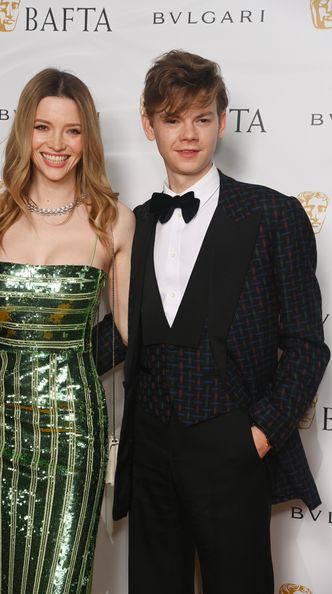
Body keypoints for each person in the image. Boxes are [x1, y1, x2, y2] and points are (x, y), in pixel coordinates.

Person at [112, 50, 330, 594]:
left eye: (201, 118)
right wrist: (30, 353)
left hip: (232, 447)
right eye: (172, 119)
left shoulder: (273, 215)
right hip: (151, 453)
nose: (188, 134)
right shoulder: (134, 225)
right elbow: (126, 333)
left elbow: (307, 342)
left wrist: (258, 434)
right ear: (148, 124)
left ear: (222, 122)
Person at [0, 68, 134, 593]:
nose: (56, 144)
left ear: (87, 138)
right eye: (43, 127)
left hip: (72, 430)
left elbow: (136, 331)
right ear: (24, 131)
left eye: (72, 130)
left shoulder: (114, 222)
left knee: (60, 578)